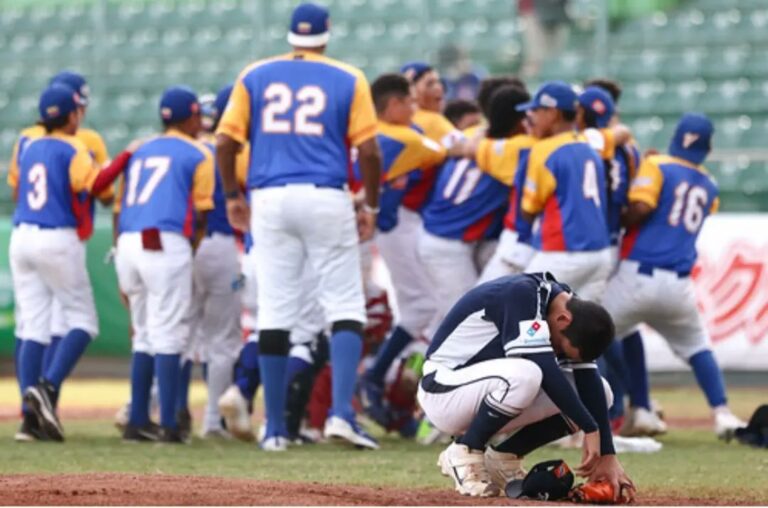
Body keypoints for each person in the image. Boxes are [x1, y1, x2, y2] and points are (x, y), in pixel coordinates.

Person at [216, 2, 383, 451]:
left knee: (275, 310)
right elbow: (369, 152)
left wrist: (232, 196)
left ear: (291, 35)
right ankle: (341, 415)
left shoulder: (255, 74)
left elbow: (224, 141)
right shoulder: (348, 77)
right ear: (326, 34)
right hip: (325, 193)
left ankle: (273, 429)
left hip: (269, 197)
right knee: (344, 305)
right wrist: (370, 202)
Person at [419, 272, 634, 500]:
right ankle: (464, 451)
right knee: (528, 373)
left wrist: (607, 454)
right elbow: (544, 368)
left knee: (603, 392)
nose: (557, 352)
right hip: (444, 390)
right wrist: (590, 428)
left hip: (486, 392)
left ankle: (504, 458)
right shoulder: (522, 293)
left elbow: (588, 381)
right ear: (563, 320)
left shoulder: (569, 309)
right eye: (559, 346)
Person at [601, 113, 746, 439]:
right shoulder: (710, 184)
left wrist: (613, 214)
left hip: (635, 274)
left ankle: (598, 420)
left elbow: (640, 209)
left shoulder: (658, 165)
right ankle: (722, 414)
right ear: (707, 147)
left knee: (589, 337)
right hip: (678, 284)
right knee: (698, 348)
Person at [11, 84, 128, 442]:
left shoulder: (28, 144)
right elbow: (97, 185)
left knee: (32, 327)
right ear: (72, 114)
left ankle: (31, 421)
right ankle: (46, 389)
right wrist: (125, 158)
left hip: (21, 236)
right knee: (84, 321)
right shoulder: (74, 147)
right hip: (56, 237)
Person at [114, 85, 214, 443]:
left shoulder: (140, 149)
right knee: (170, 333)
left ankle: (138, 420)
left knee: (143, 334)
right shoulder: (198, 152)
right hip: (164, 240)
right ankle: (171, 423)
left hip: (127, 240)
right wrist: (190, 249)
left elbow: (116, 208)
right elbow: (202, 213)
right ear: (191, 117)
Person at [358, 73, 450, 425]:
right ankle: (375, 378)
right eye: (409, 101)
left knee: (422, 309)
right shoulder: (403, 134)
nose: (414, 107)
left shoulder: (374, 131)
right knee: (424, 306)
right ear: (393, 104)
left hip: (380, 224)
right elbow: (443, 150)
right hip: (390, 224)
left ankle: (387, 386)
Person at [417, 85, 535, 329]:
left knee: (461, 314)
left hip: (451, 236)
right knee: (467, 322)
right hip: (447, 243)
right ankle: (420, 365)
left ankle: (417, 363)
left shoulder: (475, 132)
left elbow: (464, 146)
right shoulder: (518, 147)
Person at [184, 84, 245, 439]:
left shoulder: (186, 148)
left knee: (178, 334)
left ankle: (156, 410)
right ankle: (210, 421)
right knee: (223, 339)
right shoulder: (238, 151)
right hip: (220, 244)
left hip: (186, 246)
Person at [518, 81, 612, 302]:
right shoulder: (588, 147)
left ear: (553, 113)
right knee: (580, 331)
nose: (532, 117)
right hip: (600, 254)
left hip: (562, 251)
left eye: (537, 111)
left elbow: (529, 210)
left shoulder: (544, 150)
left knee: (523, 309)